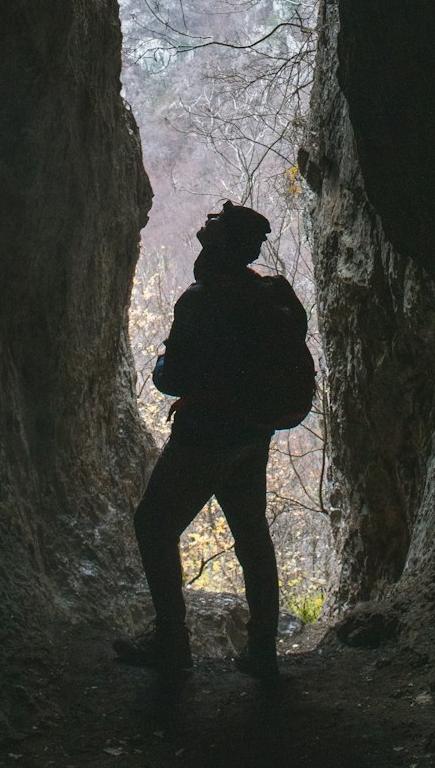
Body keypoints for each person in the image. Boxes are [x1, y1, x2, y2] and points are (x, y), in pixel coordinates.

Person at [113, 200, 307, 683]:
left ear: (219, 249)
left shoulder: (201, 301)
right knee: (251, 534)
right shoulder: (271, 295)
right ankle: (262, 649)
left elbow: (171, 377)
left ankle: (171, 641)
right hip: (253, 433)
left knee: (154, 524)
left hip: (204, 437)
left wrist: (164, 367)